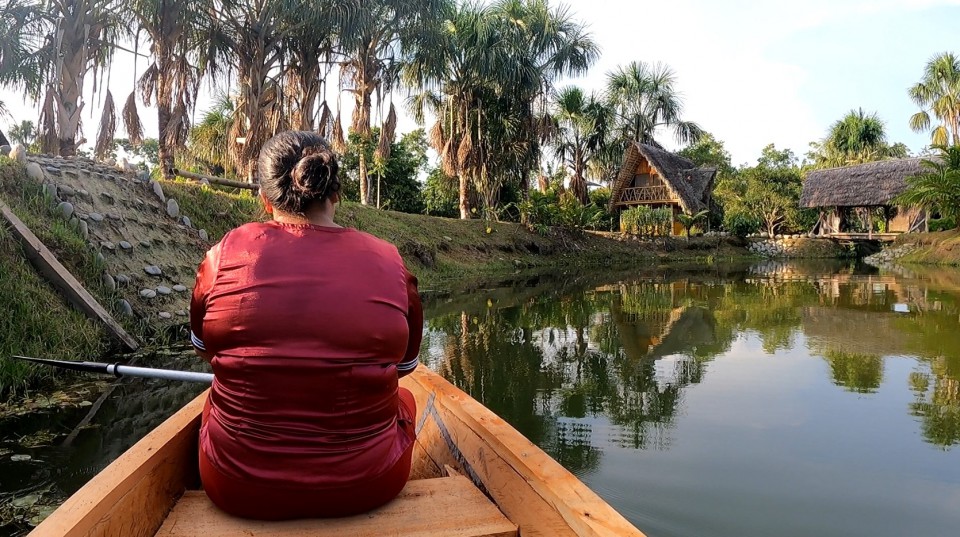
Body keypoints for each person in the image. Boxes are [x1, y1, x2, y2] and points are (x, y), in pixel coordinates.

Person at [189, 130, 423, 520]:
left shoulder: (224, 254)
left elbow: (204, 349)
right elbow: (404, 368)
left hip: (235, 486)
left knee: (214, 399)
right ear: (335, 193)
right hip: (370, 484)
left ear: (265, 199)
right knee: (408, 400)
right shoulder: (391, 261)